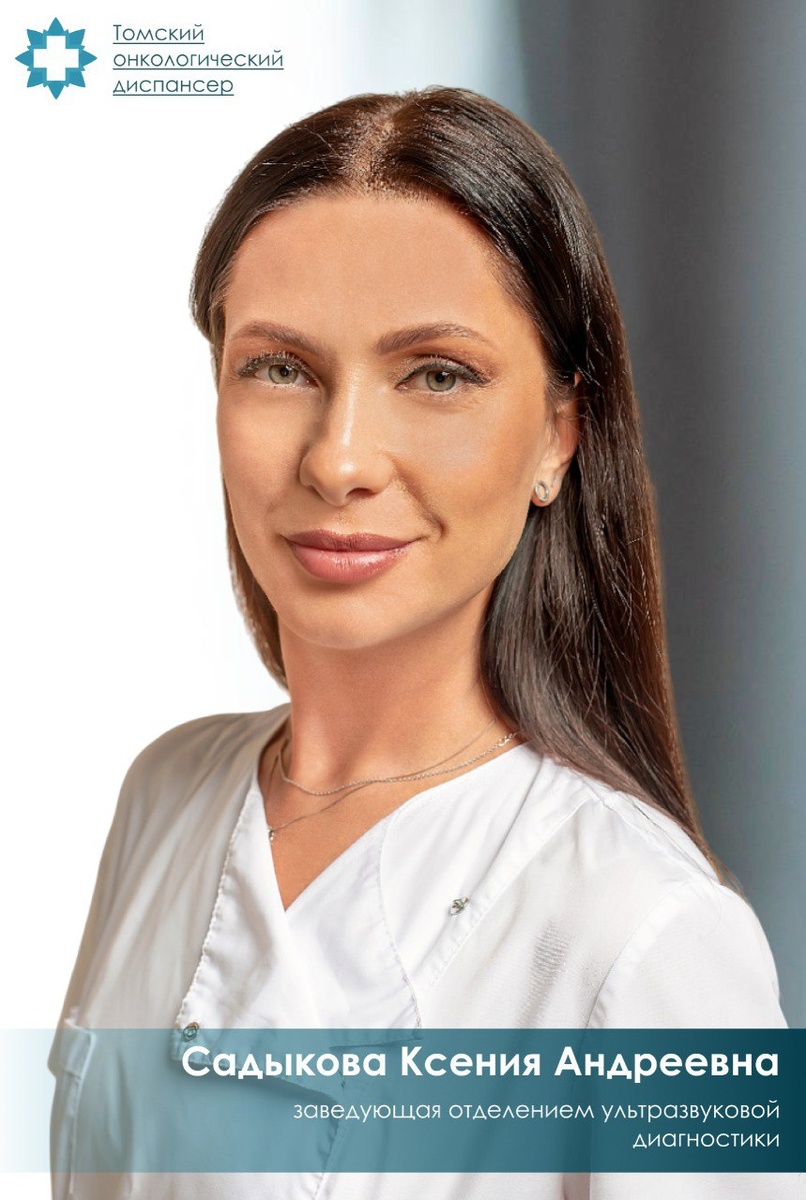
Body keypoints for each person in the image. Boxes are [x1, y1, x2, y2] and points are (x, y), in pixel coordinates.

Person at [50, 86, 797, 1199]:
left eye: (436, 375)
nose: (339, 459)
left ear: (558, 435)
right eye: (280, 367)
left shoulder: (649, 936)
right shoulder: (166, 795)